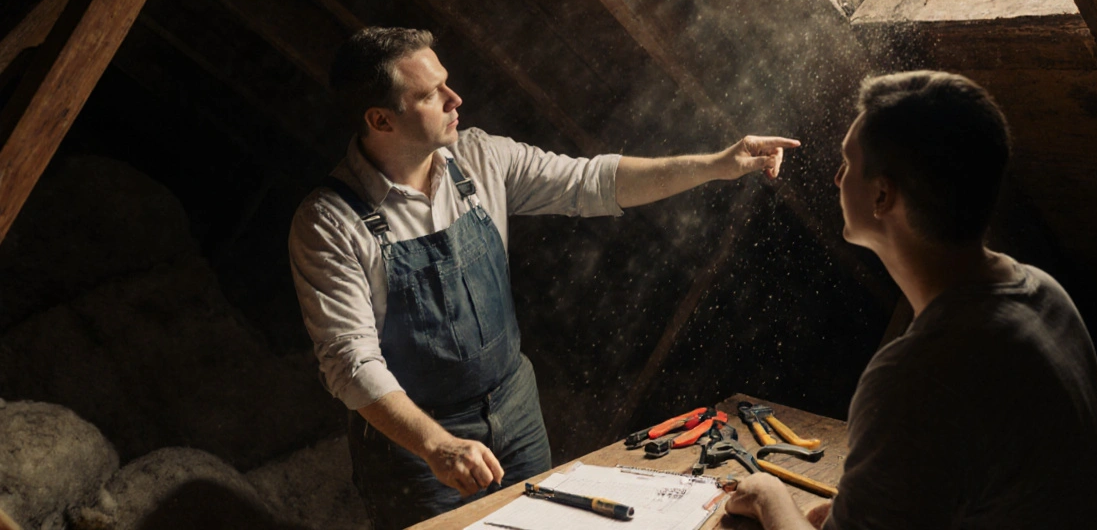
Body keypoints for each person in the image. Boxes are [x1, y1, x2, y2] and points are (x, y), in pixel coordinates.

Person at [288, 27, 799, 529]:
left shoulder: (478, 158)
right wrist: (436, 445)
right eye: (430, 94)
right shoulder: (329, 223)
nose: (454, 98)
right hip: (417, 446)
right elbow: (351, 362)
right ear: (380, 119)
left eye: (446, 82)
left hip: (515, 410)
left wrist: (717, 164)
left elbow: (591, 181)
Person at [726, 70, 1097, 530]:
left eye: (847, 163)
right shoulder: (1046, 295)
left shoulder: (917, 378)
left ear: (882, 195)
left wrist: (768, 496)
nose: (836, 178)